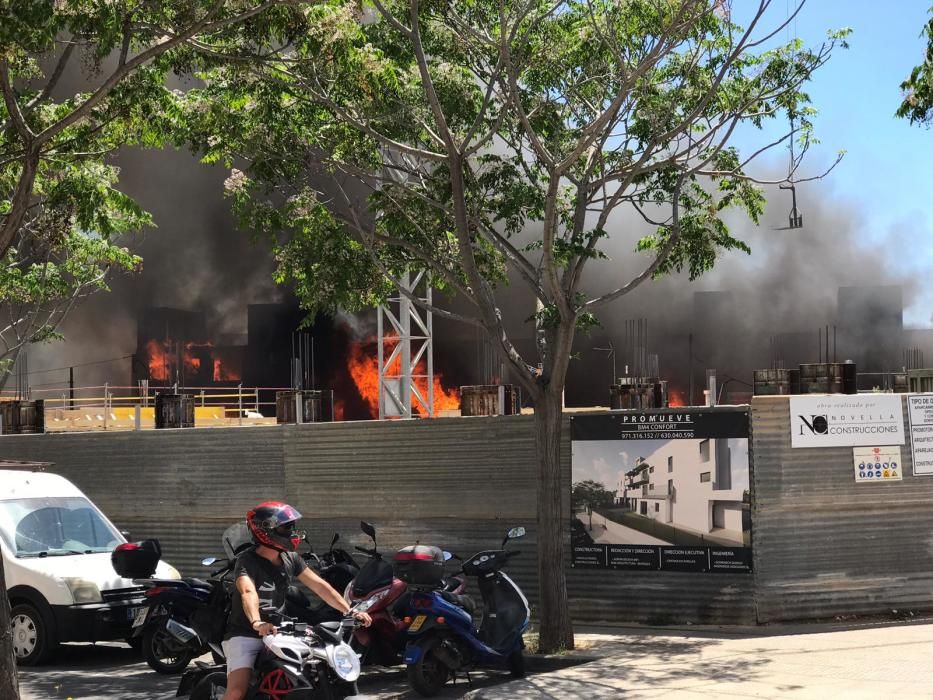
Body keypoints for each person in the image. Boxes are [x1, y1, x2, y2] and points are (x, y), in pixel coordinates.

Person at [222, 501, 372, 700]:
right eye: (286, 526)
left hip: (280, 630)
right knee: (236, 692)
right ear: (265, 529)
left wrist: (350, 611)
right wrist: (257, 622)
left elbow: (320, 586)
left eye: (292, 526)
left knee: (315, 668)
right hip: (245, 632)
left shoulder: (291, 558)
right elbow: (248, 592)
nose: (292, 531)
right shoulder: (247, 561)